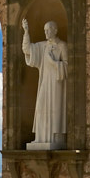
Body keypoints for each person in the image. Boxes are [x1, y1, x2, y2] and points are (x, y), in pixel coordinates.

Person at [21, 18, 68, 148]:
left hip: (57, 83)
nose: (46, 33)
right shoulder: (43, 46)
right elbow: (27, 49)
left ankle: (55, 137)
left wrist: (53, 63)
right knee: (41, 106)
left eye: (49, 30)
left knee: (55, 107)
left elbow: (68, 66)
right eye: (45, 30)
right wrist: (26, 32)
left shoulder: (62, 45)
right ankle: (41, 137)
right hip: (45, 81)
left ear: (55, 30)